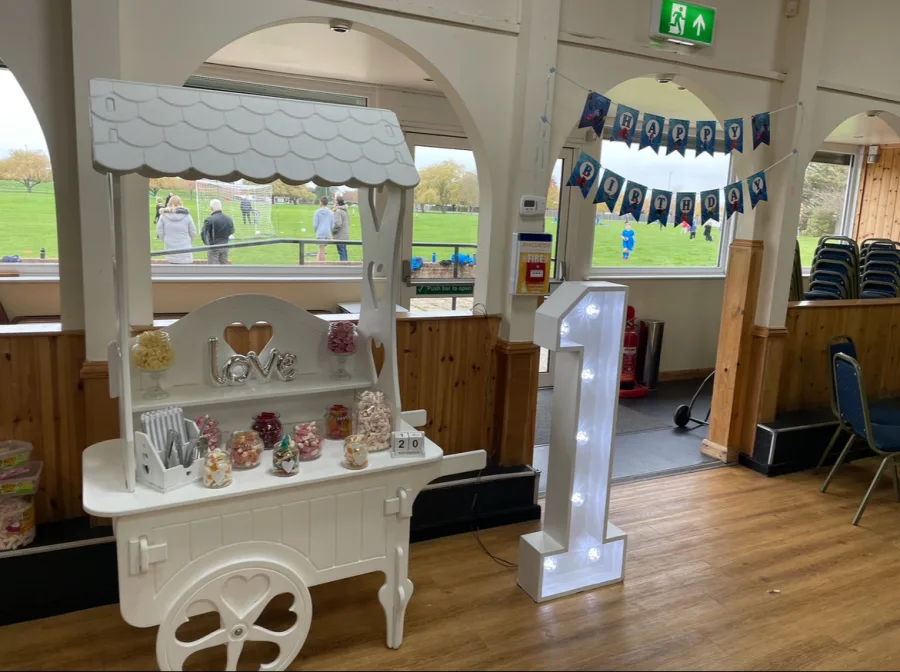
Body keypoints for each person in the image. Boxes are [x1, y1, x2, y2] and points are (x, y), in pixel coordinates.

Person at [156, 195, 197, 264]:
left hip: (170, 248)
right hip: (185, 249)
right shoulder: (187, 216)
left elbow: (160, 232)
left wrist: (166, 239)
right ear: (180, 203)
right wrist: (188, 241)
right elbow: (193, 232)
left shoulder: (163, 216)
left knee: (172, 272)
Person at [202, 199, 235, 265]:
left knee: (213, 268)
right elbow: (232, 231)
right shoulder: (228, 219)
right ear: (221, 207)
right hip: (225, 245)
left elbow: (203, 234)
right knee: (224, 264)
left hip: (213, 246)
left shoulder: (209, 220)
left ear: (211, 208)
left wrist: (207, 244)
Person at [313, 197, 334, 262]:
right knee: (322, 248)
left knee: (321, 248)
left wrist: (316, 231)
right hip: (327, 232)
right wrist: (330, 231)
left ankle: (322, 263)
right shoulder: (331, 213)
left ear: (321, 202)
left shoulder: (317, 212)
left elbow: (315, 224)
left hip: (320, 232)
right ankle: (317, 261)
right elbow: (332, 224)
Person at [332, 196, 350, 262]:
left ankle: (343, 267)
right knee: (344, 251)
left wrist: (332, 230)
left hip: (340, 236)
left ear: (337, 202)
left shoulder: (338, 211)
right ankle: (346, 267)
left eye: (335, 201)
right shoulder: (345, 211)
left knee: (341, 252)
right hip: (345, 235)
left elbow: (338, 224)